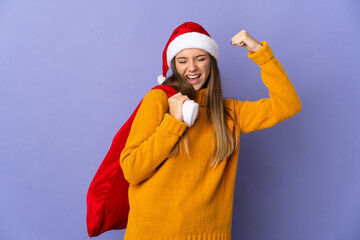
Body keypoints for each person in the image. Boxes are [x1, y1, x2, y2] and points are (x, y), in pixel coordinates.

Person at [119, 21, 302, 240]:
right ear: (174, 66)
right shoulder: (159, 100)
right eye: (183, 60)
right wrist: (174, 124)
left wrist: (259, 52)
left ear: (211, 63)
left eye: (200, 58)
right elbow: (132, 170)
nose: (192, 67)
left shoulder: (229, 112)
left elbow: (288, 104)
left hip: (209, 234)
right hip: (153, 233)